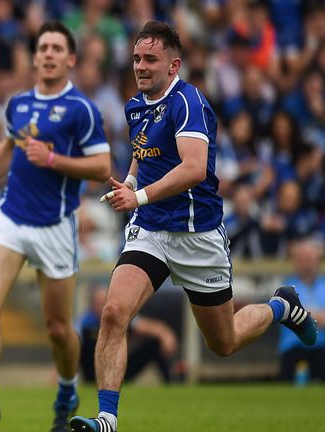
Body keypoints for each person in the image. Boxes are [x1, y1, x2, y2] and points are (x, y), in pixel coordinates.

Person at [69, 21, 319, 432]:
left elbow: (194, 168)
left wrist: (141, 195)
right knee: (113, 312)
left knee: (223, 343)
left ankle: (281, 307)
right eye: (136, 58)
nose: (141, 66)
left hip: (198, 237)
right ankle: (106, 419)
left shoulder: (189, 102)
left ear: (174, 65)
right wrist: (131, 182)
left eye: (151, 59)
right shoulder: (135, 107)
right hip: (151, 230)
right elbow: (142, 152)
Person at [0, 22, 111, 432]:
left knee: (58, 329)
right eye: (44, 47)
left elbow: (103, 167)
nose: (50, 54)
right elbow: (8, 147)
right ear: (35, 57)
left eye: (58, 47)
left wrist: (54, 160)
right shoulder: (19, 104)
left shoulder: (82, 110)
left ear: (70, 59)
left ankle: (68, 390)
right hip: (11, 218)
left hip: (55, 227)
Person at [79, 284, 178, 383]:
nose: (104, 306)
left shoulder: (119, 317)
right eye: (100, 303)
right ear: (92, 305)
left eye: (106, 302)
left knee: (155, 343)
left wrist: (165, 334)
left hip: (120, 370)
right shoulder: (84, 323)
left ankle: (170, 383)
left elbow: (148, 327)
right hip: (94, 375)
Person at [277, 237, 325, 382]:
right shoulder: (286, 287)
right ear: (295, 261)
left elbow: (301, 316)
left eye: (310, 258)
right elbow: (292, 317)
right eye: (303, 259)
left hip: (321, 348)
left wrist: (307, 316)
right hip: (294, 347)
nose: (307, 263)